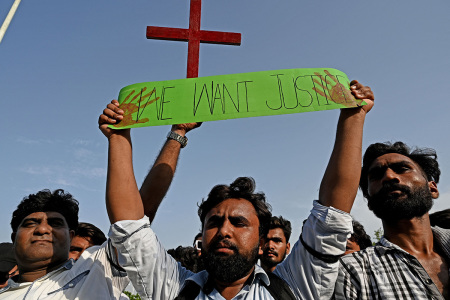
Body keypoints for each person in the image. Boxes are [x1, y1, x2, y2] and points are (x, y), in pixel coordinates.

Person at [99, 79, 374, 299]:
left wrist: (353, 117)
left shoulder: (294, 288)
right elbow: (129, 226)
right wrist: (119, 137)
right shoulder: (173, 288)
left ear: (262, 239)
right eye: (214, 222)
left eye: (239, 223)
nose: (224, 231)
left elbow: (332, 214)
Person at [335, 142, 450, 299]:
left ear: (433, 188)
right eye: (376, 175)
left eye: (402, 169)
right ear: (369, 201)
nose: (389, 177)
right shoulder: (353, 271)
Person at [0, 189, 129, 299]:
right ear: (14, 238)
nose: (42, 229)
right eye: (30, 224)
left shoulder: (96, 272)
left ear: (70, 236)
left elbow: (131, 224)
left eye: (55, 223)